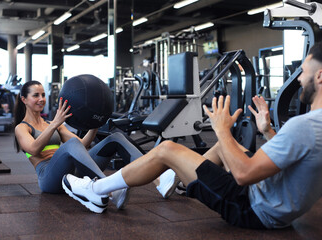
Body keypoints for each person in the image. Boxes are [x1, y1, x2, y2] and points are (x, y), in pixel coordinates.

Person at [62, 42, 322, 229]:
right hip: (278, 207)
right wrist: (267, 131)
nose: (299, 78)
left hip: (253, 208)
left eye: (304, 70)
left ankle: (96, 191)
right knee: (222, 148)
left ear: (319, 76)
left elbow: (243, 175)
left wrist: (221, 130)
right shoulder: (314, 125)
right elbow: (292, 161)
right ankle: (173, 179)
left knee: (167, 150)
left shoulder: (306, 125)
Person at [13, 80, 144, 212]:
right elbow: (33, 149)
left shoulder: (53, 124)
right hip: (49, 178)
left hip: (72, 173)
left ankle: (157, 176)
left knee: (115, 138)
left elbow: (81, 145)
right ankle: (111, 189)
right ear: (24, 99)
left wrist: (95, 124)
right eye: (36, 95)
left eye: (43, 95)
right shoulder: (22, 128)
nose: (41, 99)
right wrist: (55, 124)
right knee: (71, 144)